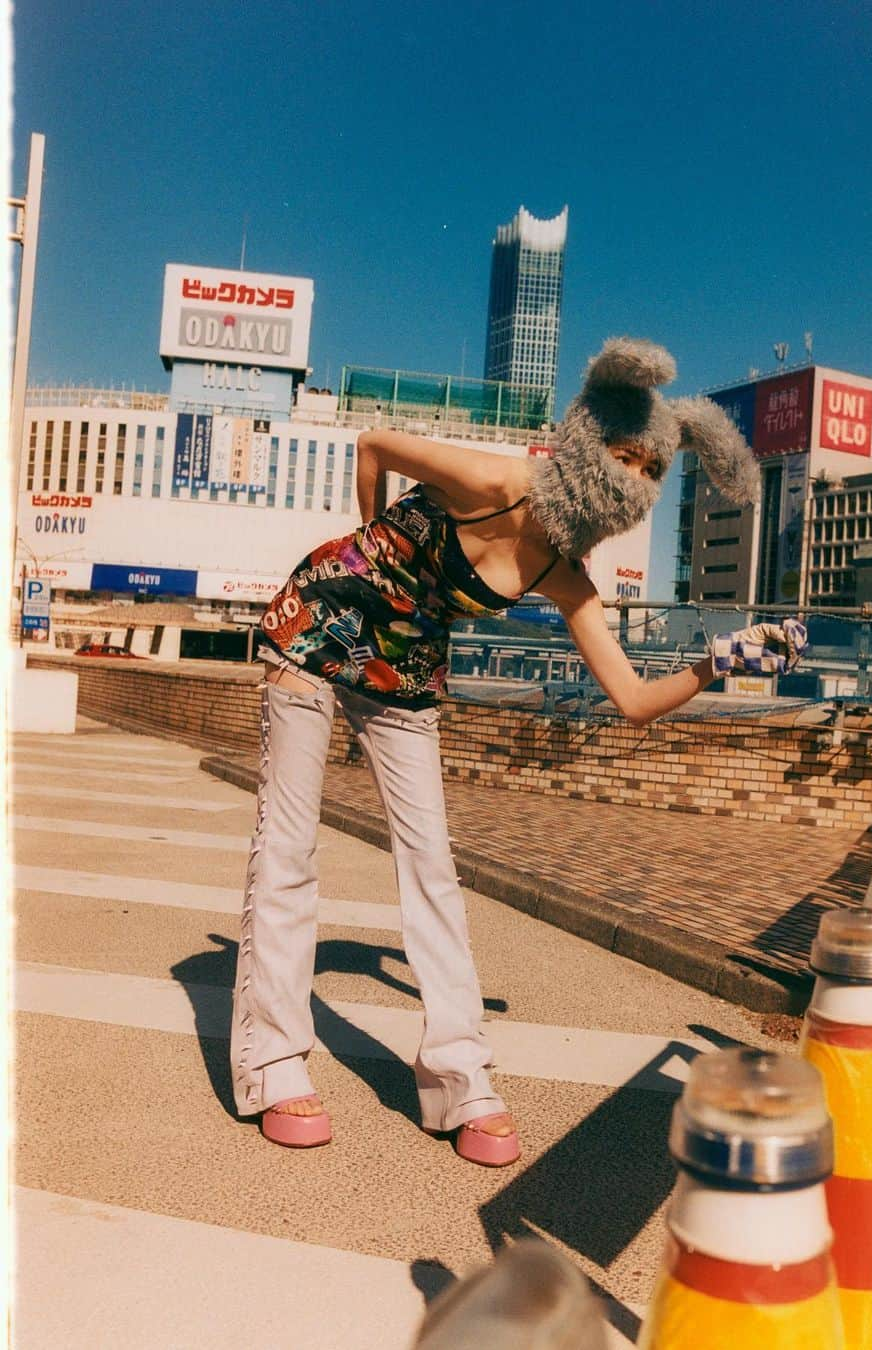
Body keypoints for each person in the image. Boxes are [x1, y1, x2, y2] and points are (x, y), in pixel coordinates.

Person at [229, 337, 777, 1166]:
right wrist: (368, 536)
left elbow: (631, 701)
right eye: (623, 455)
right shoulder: (493, 483)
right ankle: (272, 1062)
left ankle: (459, 1078)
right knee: (291, 847)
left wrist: (716, 664)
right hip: (317, 625)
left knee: (433, 870)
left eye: (651, 468)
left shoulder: (565, 569)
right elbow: (372, 442)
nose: (633, 478)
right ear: (586, 442)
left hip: (405, 670)